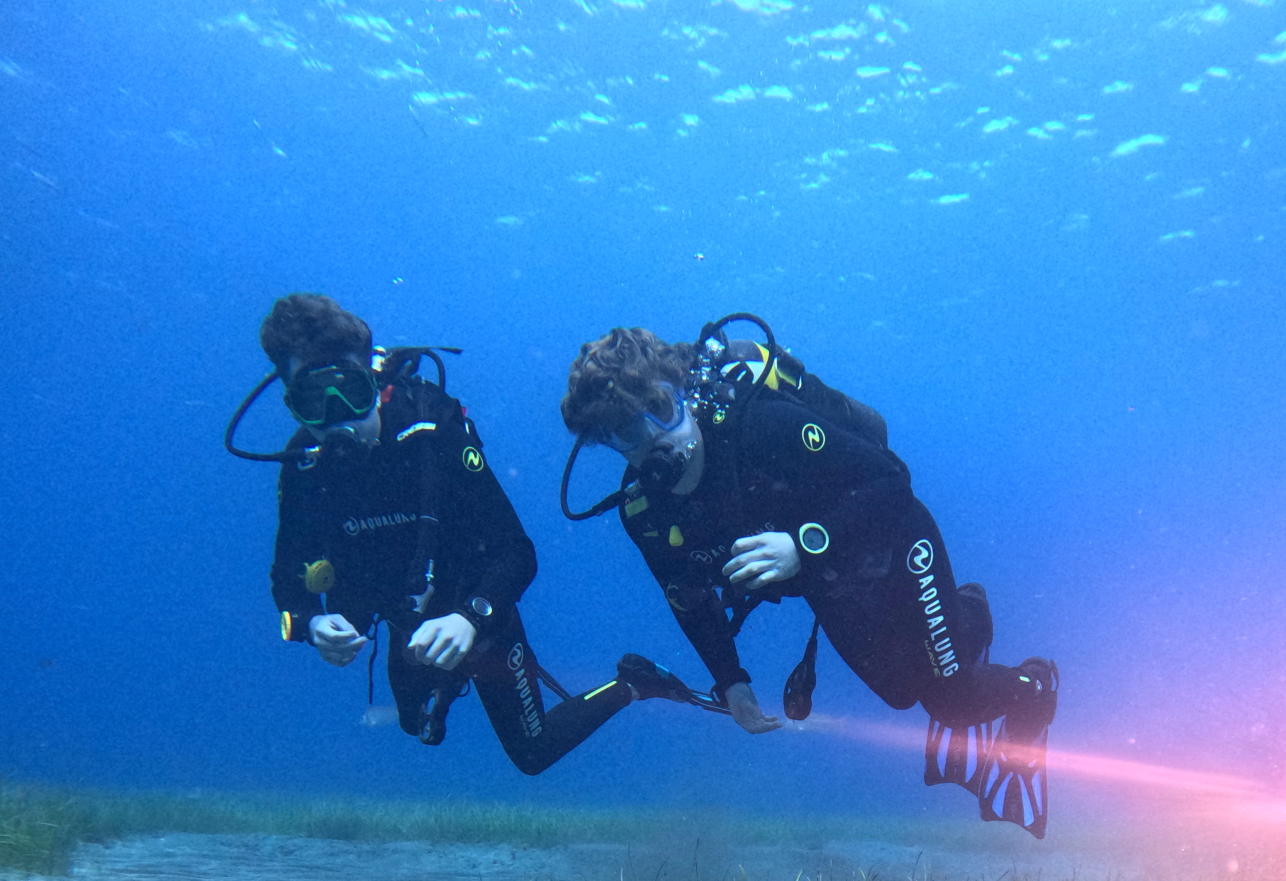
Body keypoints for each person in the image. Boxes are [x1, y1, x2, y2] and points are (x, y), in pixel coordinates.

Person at [557, 318, 1060, 834]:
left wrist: (804, 544)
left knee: (951, 702)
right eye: (626, 433)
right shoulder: (646, 513)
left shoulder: (761, 427)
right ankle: (961, 625)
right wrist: (732, 682)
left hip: (896, 538)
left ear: (682, 391)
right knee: (902, 694)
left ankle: (1031, 682)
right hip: (829, 579)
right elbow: (686, 596)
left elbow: (892, 483)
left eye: (660, 411)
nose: (653, 441)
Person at [245, 293, 703, 773]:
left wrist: (470, 617)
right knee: (415, 725)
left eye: (351, 395)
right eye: (314, 403)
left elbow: (516, 552)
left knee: (532, 751)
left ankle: (634, 682)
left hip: (480, 607)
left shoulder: (433, 430)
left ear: (374, 380)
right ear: (291, 404)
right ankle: (443, 678)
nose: (338, 420)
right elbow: (287, 584)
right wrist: (313, 625)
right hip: (407, 618)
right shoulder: (305, 466)